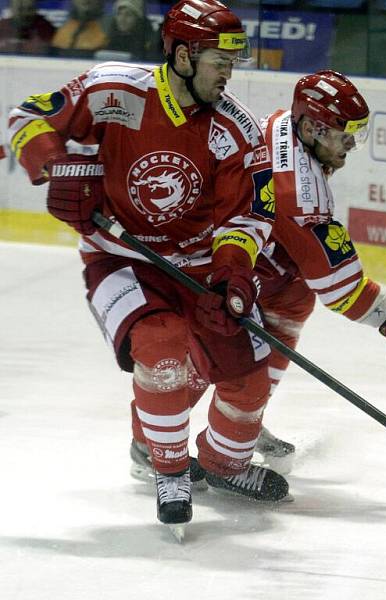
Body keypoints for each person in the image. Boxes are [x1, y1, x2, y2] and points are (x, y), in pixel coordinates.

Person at [8, 0, 291, 536]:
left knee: (248, 380)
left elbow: (250, 214)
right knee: (161, 348)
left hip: (201, 266)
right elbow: (27, 117)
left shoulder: (234, 128)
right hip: (119, 256)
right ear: (182, 54)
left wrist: (231, 273)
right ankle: (169, 469)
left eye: (232, 62)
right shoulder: (112, 90)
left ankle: (224, 465)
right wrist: (52, 164)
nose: (227, 74)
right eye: (218, 61)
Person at [127, 69, 386, 481]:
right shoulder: (299, 196)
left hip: (242, 256)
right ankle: (181, 449)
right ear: (312, 128)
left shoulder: (282, 125)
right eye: (345, 135)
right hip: (216, 266)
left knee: (291, 300)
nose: (353, 145)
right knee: (221, 355)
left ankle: (240, 423)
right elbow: (339, 287)